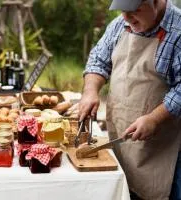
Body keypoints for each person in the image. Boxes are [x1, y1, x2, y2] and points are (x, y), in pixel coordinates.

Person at [78, 0, 181, 199]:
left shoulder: (177, 32)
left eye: (134, 10)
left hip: (163, 151)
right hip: (122, 142)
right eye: (122, 10)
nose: (126, 18)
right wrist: (90, 91)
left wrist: (154, 119)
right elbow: (98, 60)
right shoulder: (120, 25)